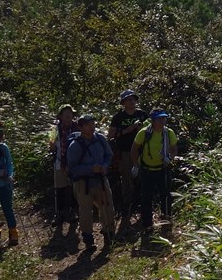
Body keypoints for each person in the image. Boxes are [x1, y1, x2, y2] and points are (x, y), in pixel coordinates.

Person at [66, 113, 115, 250]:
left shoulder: (100, 139)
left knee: (107, 206)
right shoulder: (75, 146)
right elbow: (72, 168)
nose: (92, 127)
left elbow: (108, 155)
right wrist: (90, 169)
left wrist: (105, 166)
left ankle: (109, 233)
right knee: (86, 211)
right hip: (83, 183)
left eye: (93, 124)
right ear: (81, 127)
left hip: (100, 179)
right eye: (88, 125)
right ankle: (88, 239)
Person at [132, 109, 177, 229]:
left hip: (163, 169)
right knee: (146, 197)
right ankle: (147, 224)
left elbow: (174, 148)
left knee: (165, 195)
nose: (163, 121)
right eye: (159, 119)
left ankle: (166, 221)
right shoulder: (144, 132)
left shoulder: (168, 132)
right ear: (153, 120)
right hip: (147, 169)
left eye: (164, 118)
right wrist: (136, 165)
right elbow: (134, 148)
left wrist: (170, 158)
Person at [108, 89, 150, 219]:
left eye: (133, 99)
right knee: (126, 177)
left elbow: (152, 130)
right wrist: (128, 130)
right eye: (128, 100)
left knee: (143, 176)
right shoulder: (118, 117)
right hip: (125, 151)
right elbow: (110, 135)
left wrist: (142, 128)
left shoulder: (142, 114)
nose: (131, 102)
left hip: (142, 151)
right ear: (123, 102)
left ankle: (142, 203)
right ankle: (127, 204)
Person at [48, 104, 80, 234]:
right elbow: (50, 144)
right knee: (60, 188)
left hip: (75, 162)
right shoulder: (54, 129)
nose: (68, 116)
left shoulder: (78, 126)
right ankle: (60, 213)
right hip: (60, 162)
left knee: (74, 188)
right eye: (66, 113)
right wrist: (52, 145)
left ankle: (74, 211)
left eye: (70, 113)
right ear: (60, 116)